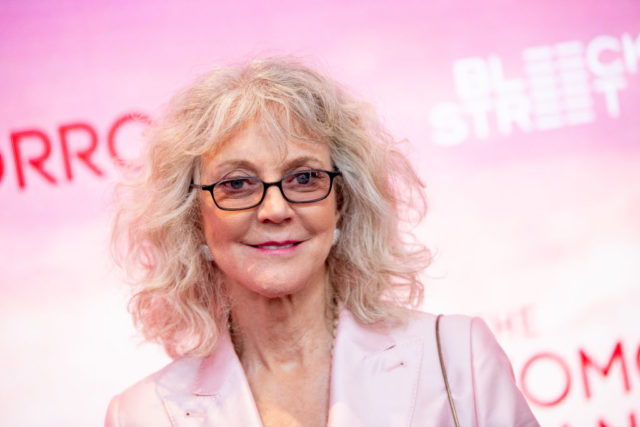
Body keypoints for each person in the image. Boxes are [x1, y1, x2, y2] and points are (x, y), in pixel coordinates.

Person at [106, 57, 539, 427]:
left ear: (342, 204)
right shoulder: (143, 414)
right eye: (237, 183)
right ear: (193, 220)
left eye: (304, 177)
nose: (274, 209)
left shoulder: (457, 357)